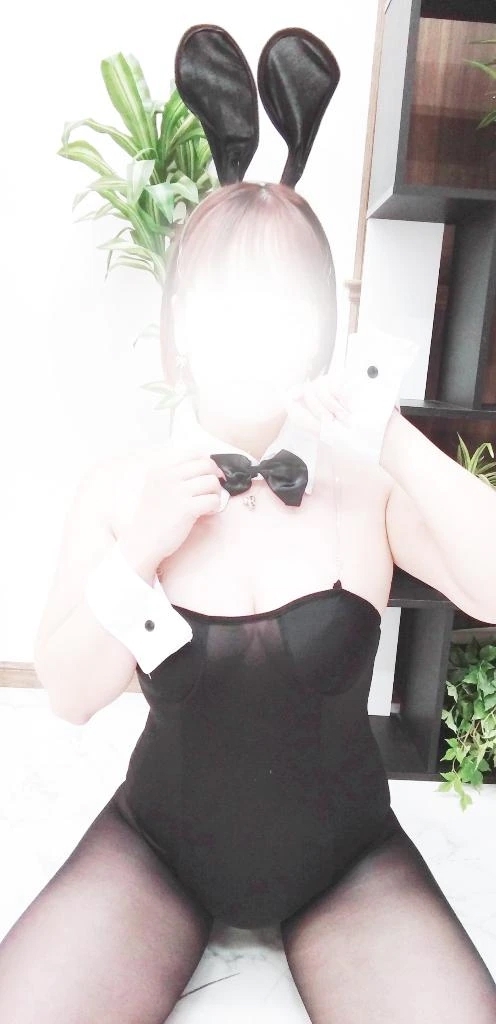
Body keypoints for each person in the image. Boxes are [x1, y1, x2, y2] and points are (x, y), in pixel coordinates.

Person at [1, 178, 496, 1023]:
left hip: (347, 860)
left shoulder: (366, 487)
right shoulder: (122, 491)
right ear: (184, 320)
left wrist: (391, 436)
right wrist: (139, 550)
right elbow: (71, 695)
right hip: (155, 850)